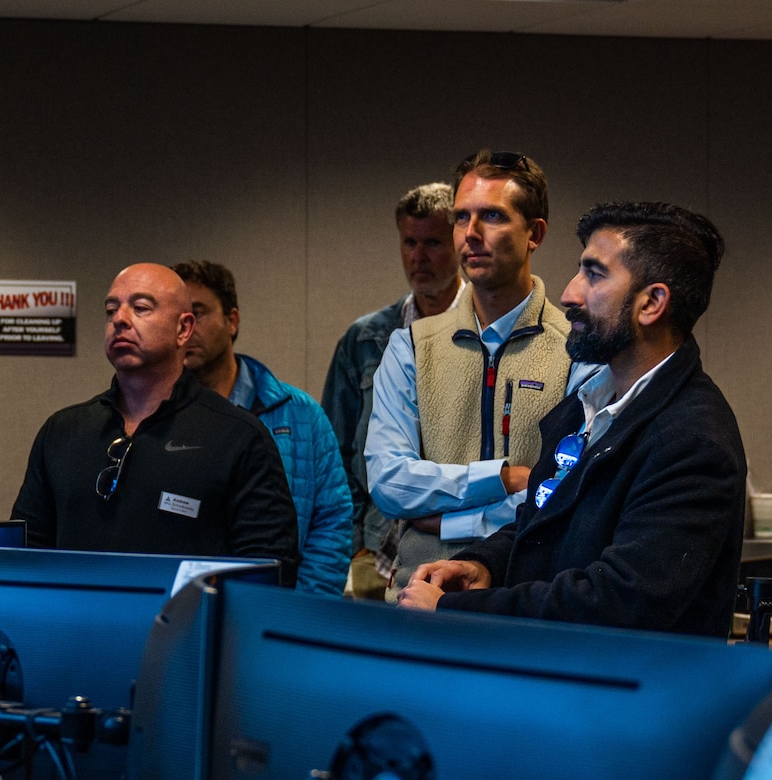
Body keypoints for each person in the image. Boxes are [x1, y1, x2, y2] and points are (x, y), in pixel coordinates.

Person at [398, 203, 745, 635]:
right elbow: (541, 520)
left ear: (652, 303)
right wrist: (481, 565)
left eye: (594, 275)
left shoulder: (691, 442)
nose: (568, 294)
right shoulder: (584, 410)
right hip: (562, 682)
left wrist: (459, 610)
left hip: (630, 696)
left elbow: (617, 600)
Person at [364, 151, 579, 591]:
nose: (471, 234)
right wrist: (503, 477)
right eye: (461, 218)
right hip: (418, 599)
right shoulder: (411, 346)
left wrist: (448, 524)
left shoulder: (578, 352)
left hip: (522, 605)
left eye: (493, 216)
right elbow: (388, 482)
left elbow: (564, 495)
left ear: (534, 233)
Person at [11, 263, 300, 581]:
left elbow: (268, 570)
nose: (120, 319)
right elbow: (26, 554)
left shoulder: (239, 437)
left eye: (140, 307)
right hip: (74, 628)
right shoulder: (63, 432)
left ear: (183, 329)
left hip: (186, 628)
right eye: (111, 310)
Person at [174, 259, 352, 595]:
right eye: (179, 318)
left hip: (280, 604)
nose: (188, 327)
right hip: (182, 609)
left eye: (199, 313)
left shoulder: (298, 414)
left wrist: (301, 608)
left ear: (232, 320)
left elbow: (332, 520)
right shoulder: (157, 416)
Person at [321, 183, 463, 595]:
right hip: (375, 545)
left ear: (457, 242)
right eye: (409, 242)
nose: (419, 257)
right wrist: (354, 546)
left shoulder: (484, 328)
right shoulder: (367, 337)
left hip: (452, 539)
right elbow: (336, 449)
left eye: (433, 242)